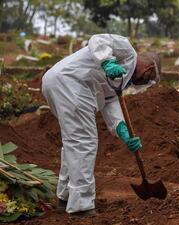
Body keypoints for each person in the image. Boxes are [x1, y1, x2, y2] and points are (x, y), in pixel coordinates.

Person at [42, 34, 161, 216]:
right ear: (150, 67)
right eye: (149, 79)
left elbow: (111, 102)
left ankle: (65, 196)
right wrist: (107, 61)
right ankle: (82, 205)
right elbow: (98, 40)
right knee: (84, 143)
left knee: (74, 143)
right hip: (70, 83)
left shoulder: (121, 81)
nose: (145, 83)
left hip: (58, 83)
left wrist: (123, 131)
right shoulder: (127, 51)